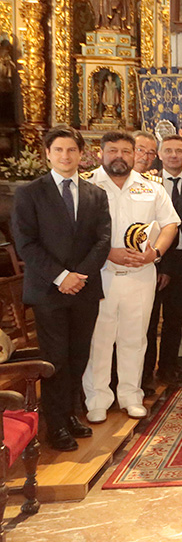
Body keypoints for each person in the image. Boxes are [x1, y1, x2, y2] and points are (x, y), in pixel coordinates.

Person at [12, 126, 111, 451]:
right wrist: (60, 276)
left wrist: (79, 274)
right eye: (59, 151)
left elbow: (103, 239)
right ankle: (55, 425)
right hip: (48, 290)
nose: (66, 156)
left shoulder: (96, 193)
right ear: (48, 154)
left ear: (81, 154)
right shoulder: (30, 193)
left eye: (71, 150)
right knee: (55, 358)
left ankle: (69, 414)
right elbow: (26, 243)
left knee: (78, 355)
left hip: (84, 287)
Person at [83, 132, 180, 423]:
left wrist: (156, 253)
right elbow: (77, 233)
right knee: (99, 340)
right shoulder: (87, 185)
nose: (120, 156)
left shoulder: (150, 187)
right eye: (113, 150)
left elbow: (170, 224)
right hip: (101, 274)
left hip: (141, 275)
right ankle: (97, 398)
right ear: (101, 153)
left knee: (135, 338)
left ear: (134, 153)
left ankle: (130, 395)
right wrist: (107, 253)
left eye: (126, 151)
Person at [143, 135, 182, 393]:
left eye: (179, 151)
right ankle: (146, 373)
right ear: (160, 154)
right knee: (150, 318)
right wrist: (160, 265)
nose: (174, 155)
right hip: (155, 261)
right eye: (168, 151)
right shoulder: (150, 183)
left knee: (175, 320)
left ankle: (169, 368)